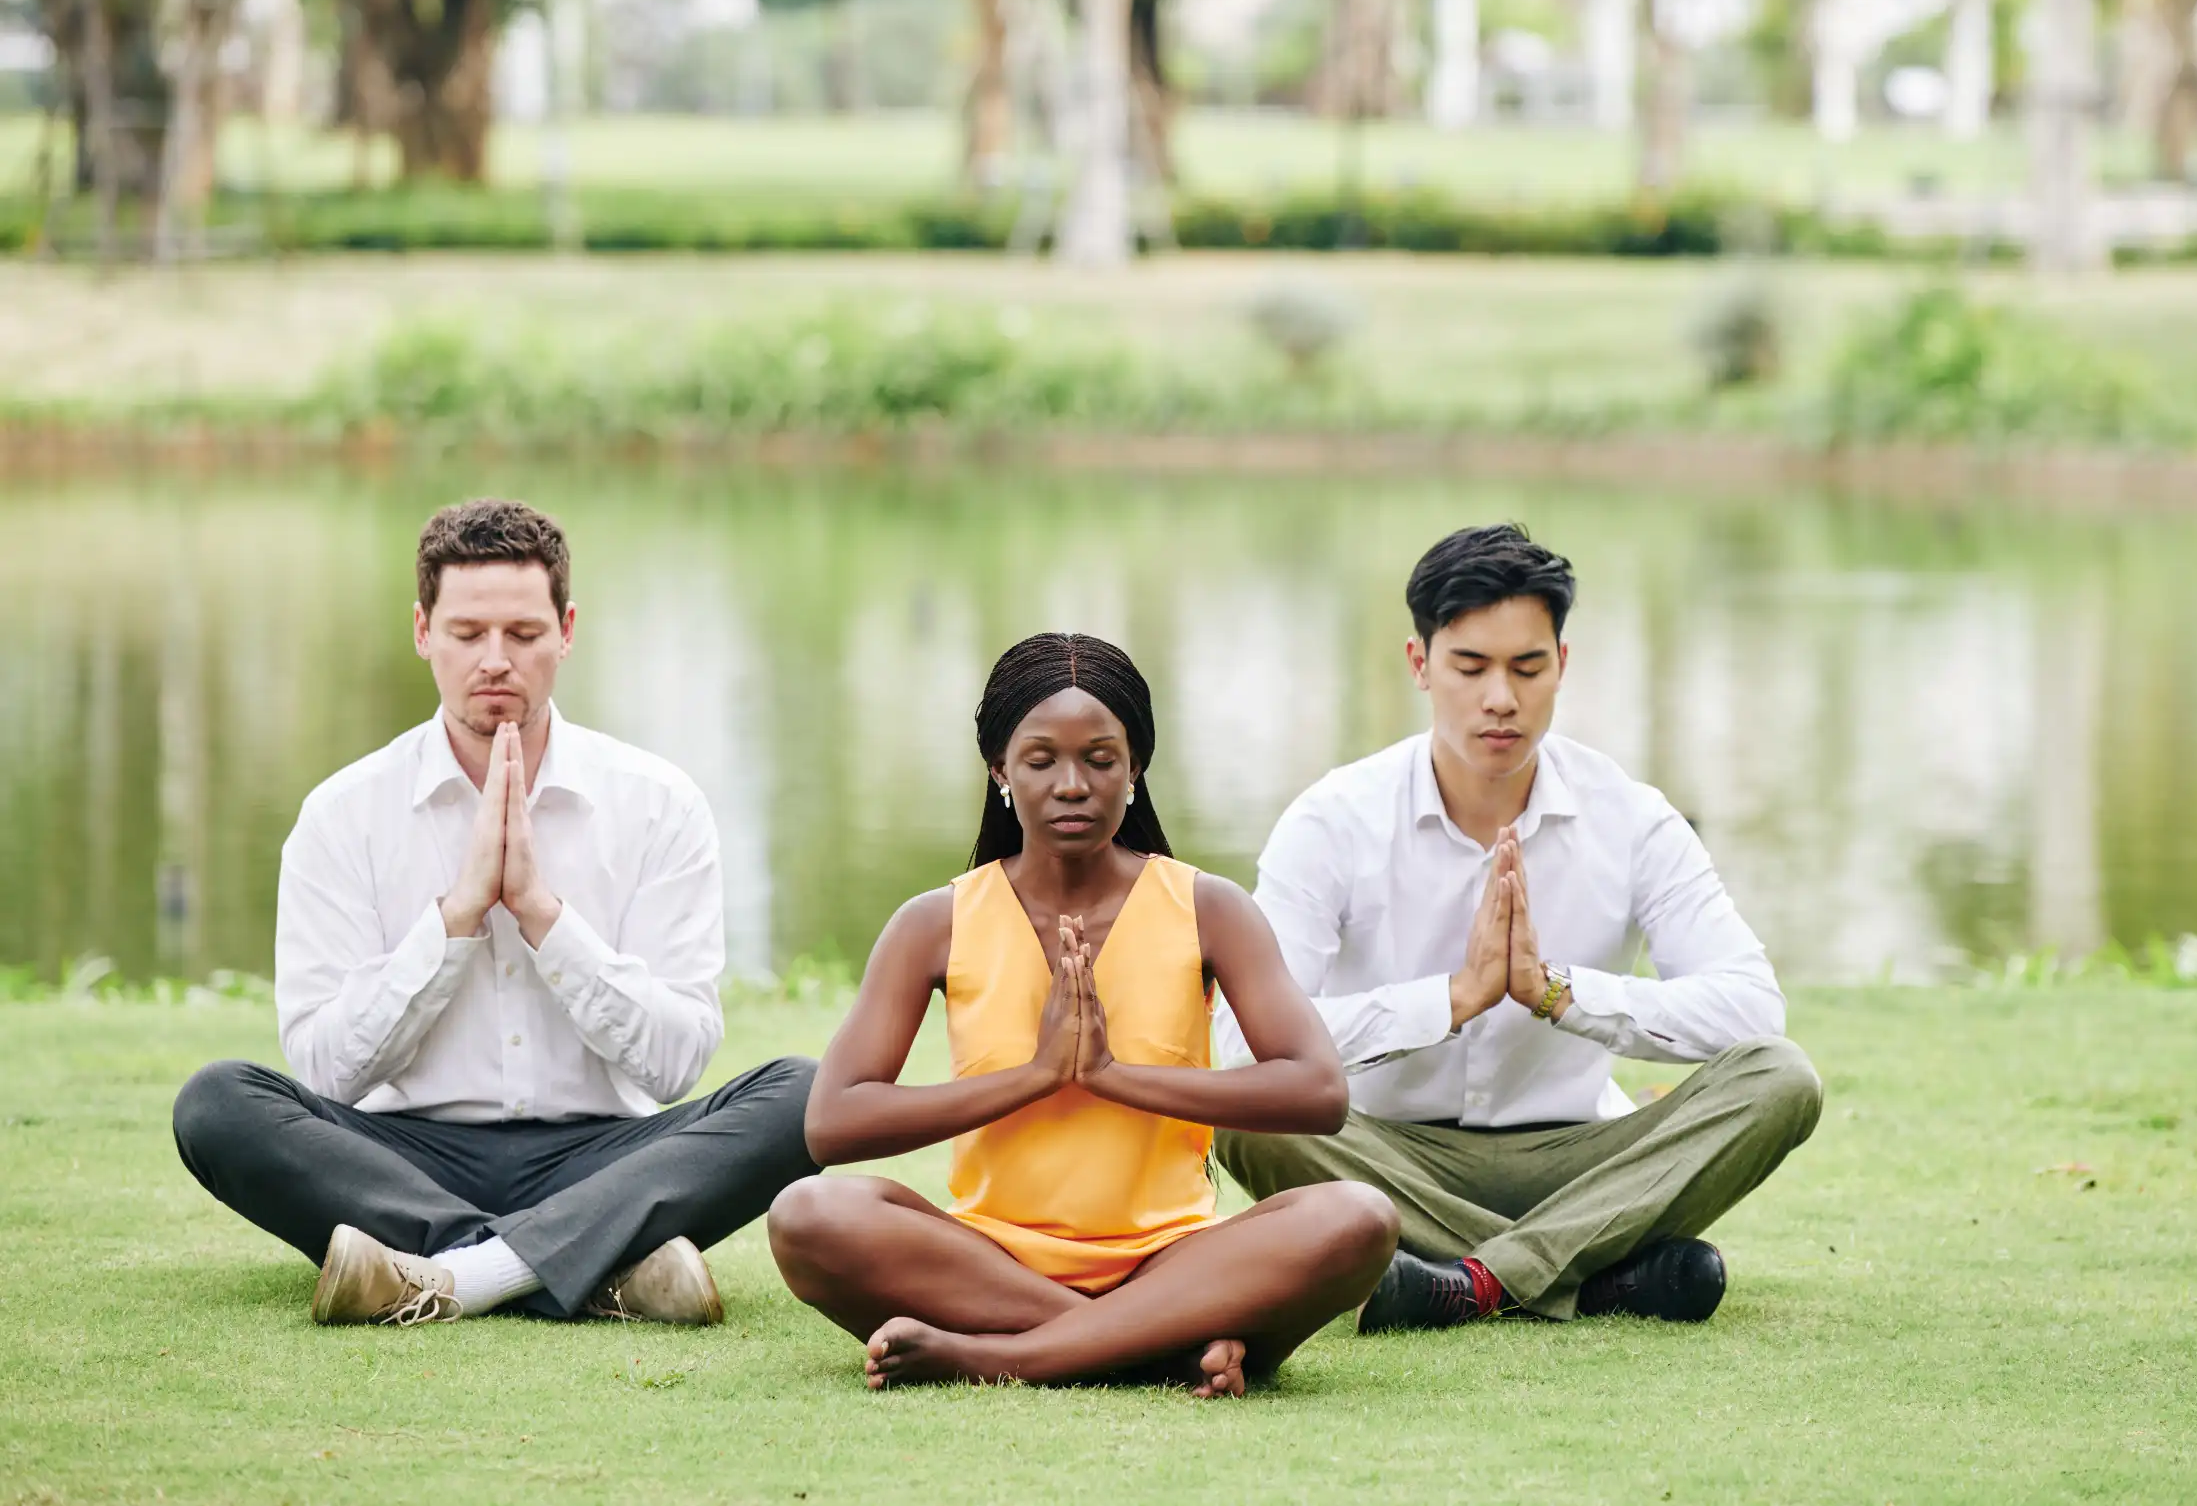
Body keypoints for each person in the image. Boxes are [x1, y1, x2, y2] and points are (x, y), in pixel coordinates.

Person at [171, 498, 817, 1327]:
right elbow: (327, 1069)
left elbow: (674, 1062)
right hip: (404, 1156)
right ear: (422, 630)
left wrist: (545, 917)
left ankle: (453, 1275)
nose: (495, 660)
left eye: (523, 633)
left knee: (807, 1093)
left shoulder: (659, 805)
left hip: (603, 1153)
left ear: (567, 629)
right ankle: (599, 1268)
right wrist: (456, 917)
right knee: (217, 1104)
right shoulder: (343, 813)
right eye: (467, 633)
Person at [1213, 523, 1822, 1331]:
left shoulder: (1632, 818)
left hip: (1580, 1159)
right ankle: (1601, 1276)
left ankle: (1465, 1281)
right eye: (1471, 666)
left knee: (1782, 1078)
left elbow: (1753, 1011)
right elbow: (1239, 1043)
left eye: (1527, 667)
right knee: (1241, 1112)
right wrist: (1450, 1000)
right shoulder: (1334, 819)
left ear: (1561, 667)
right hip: (1386, 1150)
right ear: (1420, 664)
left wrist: (1559, 992)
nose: (1500, 697)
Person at [767, 632, 1397, 1396]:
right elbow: (832, 1122)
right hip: (989, 1260)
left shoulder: (1208, 908)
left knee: (1358, 1217)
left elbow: (1318, 1091)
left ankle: (1010, 1356)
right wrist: (1035, 1076)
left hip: (1177, 1260)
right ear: (1000, 768)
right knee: (808, 1214)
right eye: (1041, 760)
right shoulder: (934, 923)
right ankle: (1155, 1345)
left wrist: (1112, 1075)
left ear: (1135, 768)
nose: (1073, 784)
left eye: (1100, 758)